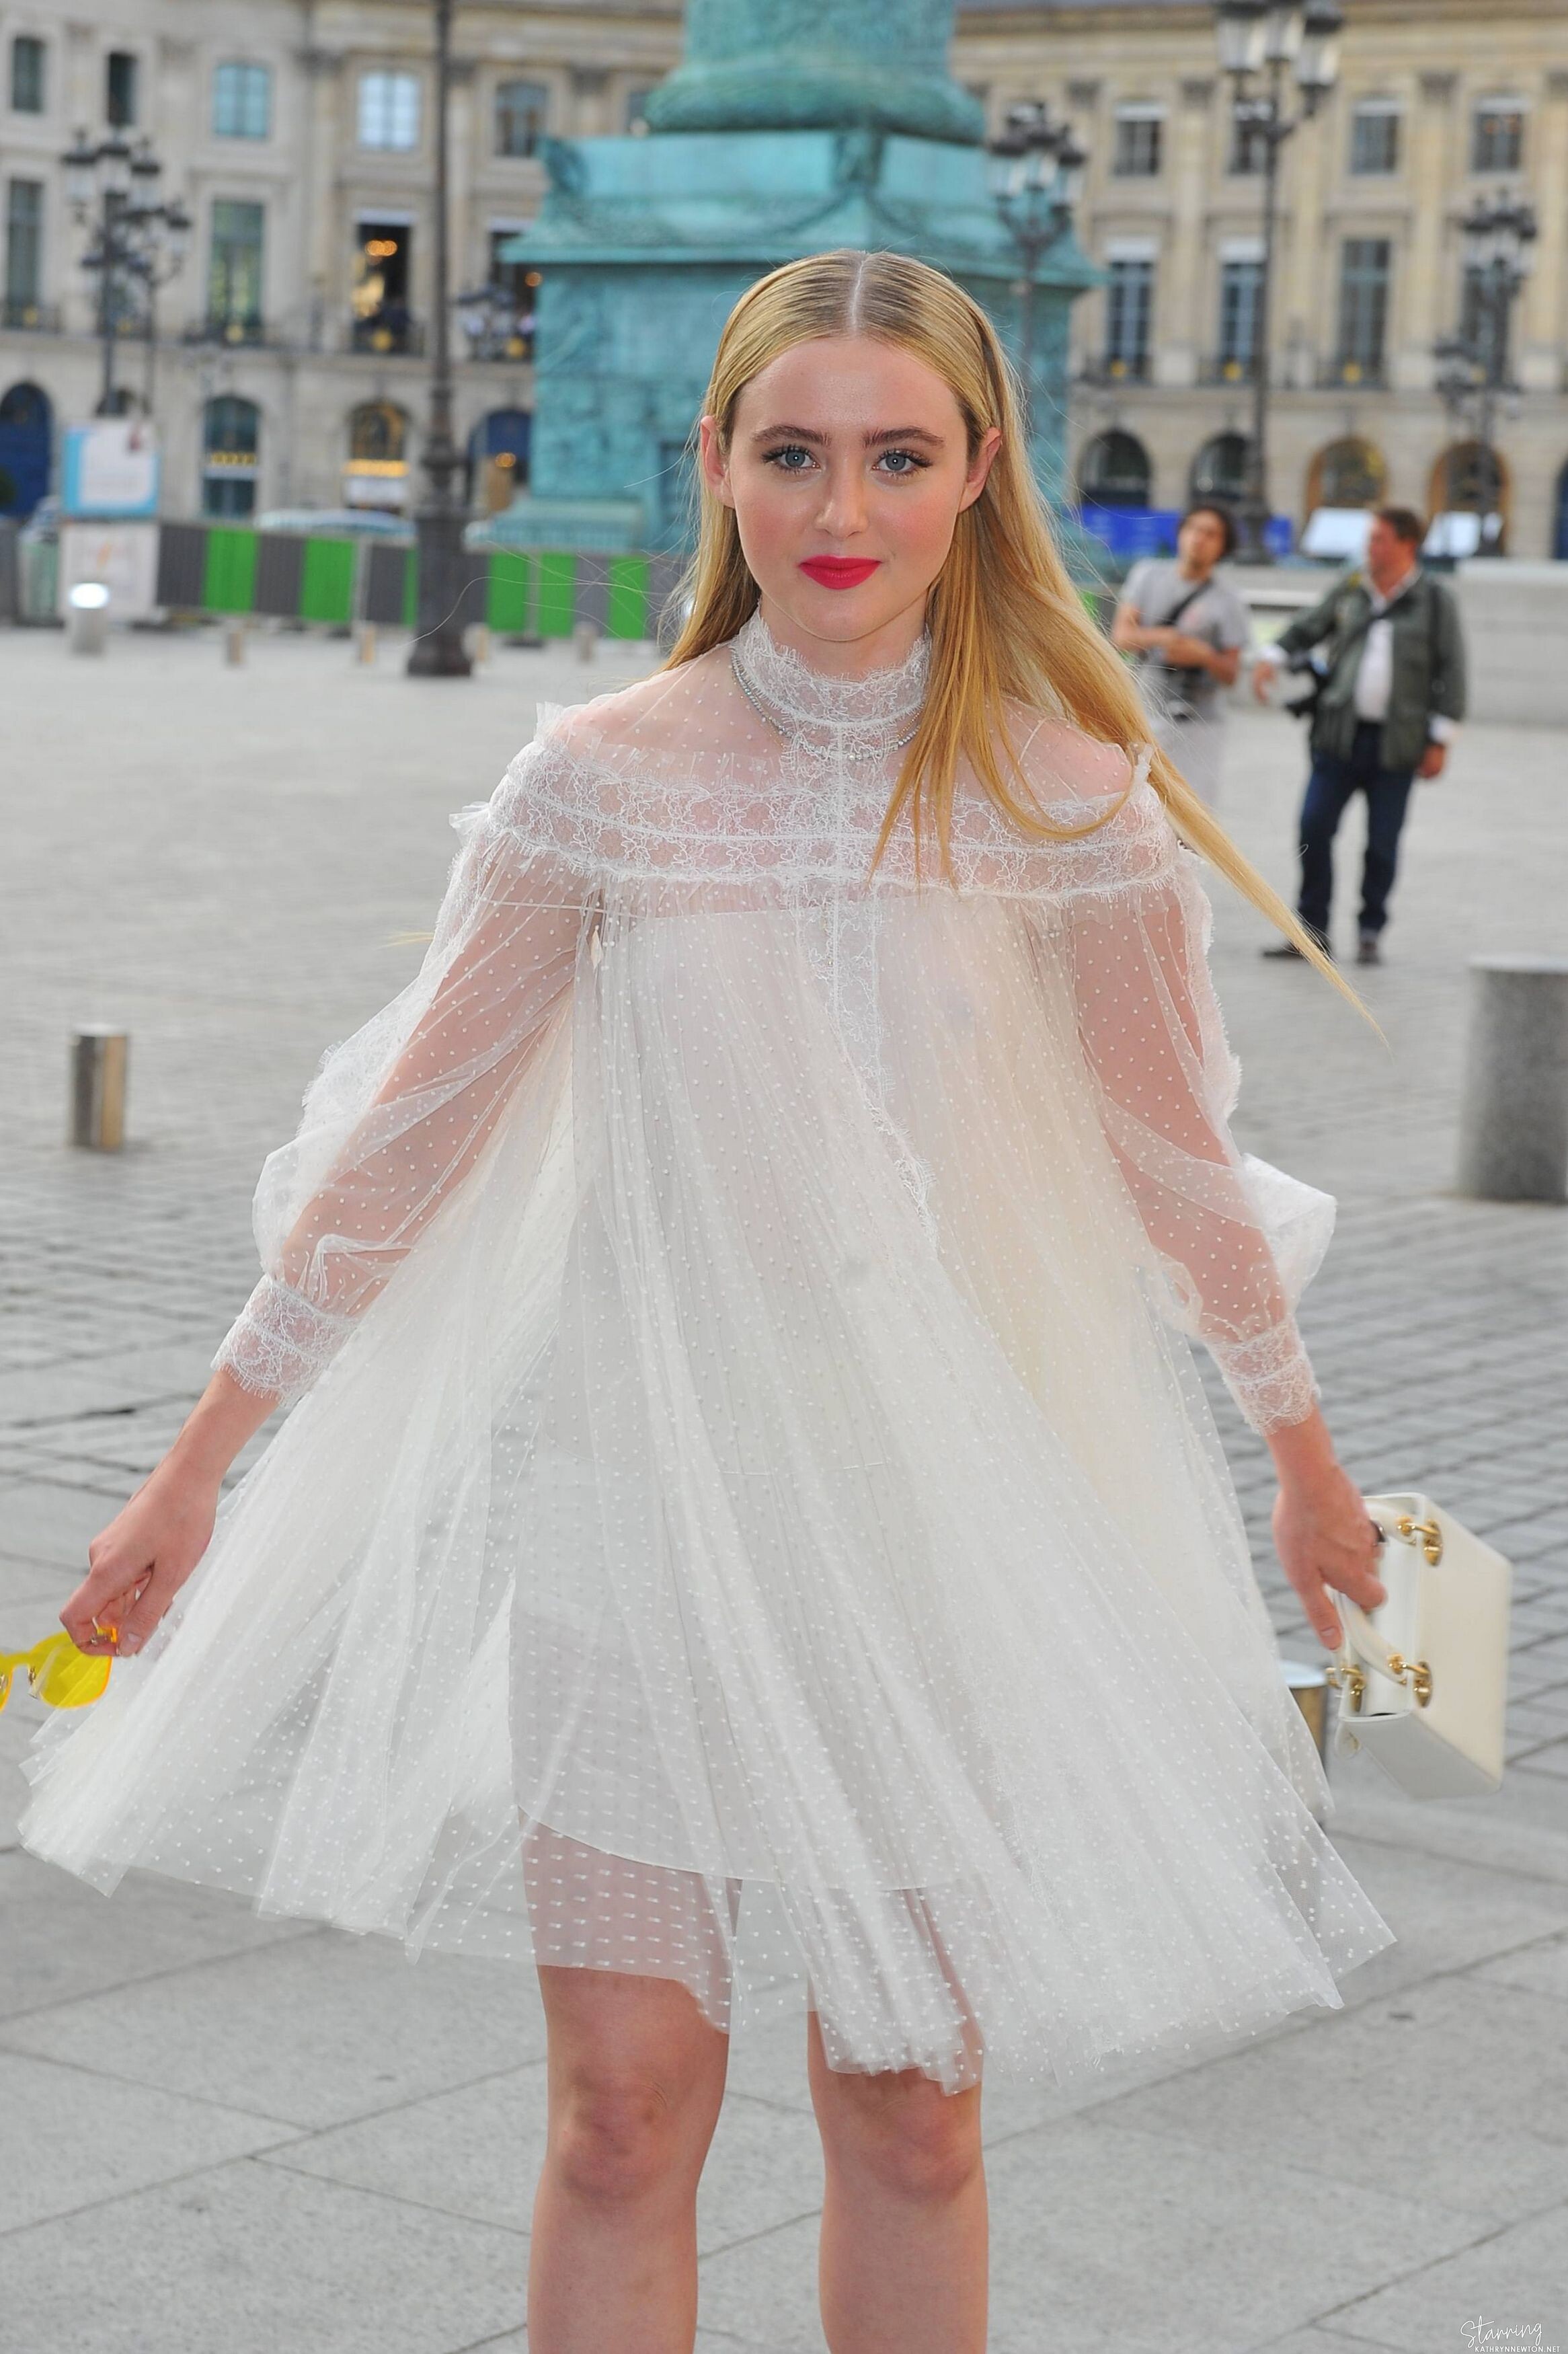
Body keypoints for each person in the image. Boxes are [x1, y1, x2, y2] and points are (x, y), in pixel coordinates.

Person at [19, 250, 1395, 2354]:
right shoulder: (600, 776)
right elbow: (406, 1145)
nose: (841, 508)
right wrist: (196, 1468)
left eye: (896, 456)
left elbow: (1173, 1161)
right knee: (618, 2115)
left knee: (911, 2107)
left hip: (935, 1535)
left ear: (978, 471)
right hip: (641, 1519)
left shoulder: (1068, 795)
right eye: (794, 453)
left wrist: (1301, 1454)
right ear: (717, 463)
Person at [1253, 504, 1466, 966]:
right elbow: (1309, 626)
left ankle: (1371, 930)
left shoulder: (1434, 601)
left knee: (1382, 843)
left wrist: (1440, 741)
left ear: (1407, 544)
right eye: (1370, 539)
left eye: (1378, 539)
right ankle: (1312, 930)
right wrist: (1272, 656)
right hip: (1338, 736)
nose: (1369, 548)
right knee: (1313, 828)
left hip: (1398, 745)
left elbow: (1453, 671)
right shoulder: (1353, 587)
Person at [1109, 501, 1253, 808]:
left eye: (1211, 534)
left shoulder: (1229, 600)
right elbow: (1121, 636)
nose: (1199, 539)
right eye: (1194, 529)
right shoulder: (1148, 575)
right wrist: (1165, 638)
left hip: (1199, 724)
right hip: (1145, 713)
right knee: (1138, 807)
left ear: (1223, 546)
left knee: (1192, 813)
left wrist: (1204, 656)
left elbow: (1232, 673)